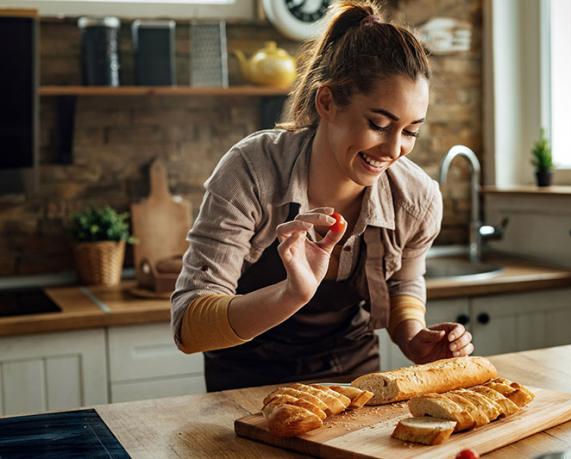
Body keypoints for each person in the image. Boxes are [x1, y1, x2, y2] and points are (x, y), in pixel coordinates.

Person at [172, 0, 474, 392]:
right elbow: (189, 327)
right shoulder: (252, 171)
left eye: (411, 131)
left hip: (354, 379)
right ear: (327, 102)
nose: (393, 149)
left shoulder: (416, 198)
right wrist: (289, 295)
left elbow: (404, 285)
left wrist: (415, 338)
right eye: (379, 124)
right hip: (244, 384)